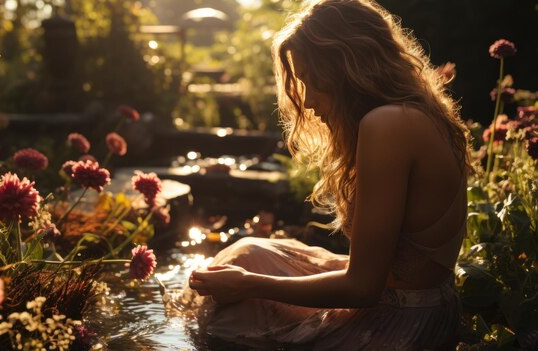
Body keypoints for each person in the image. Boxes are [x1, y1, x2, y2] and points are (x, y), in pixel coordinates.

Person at [181, 0, 473, 349]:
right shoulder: (412, 113)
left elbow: (363, 288)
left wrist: (248, 284)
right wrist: (253, 272)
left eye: (310, 82)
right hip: (413, 302)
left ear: (344, 69)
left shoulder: (388, 124)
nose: (306, 101)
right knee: (250, 252)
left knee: (235, 309)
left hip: (403, 325)